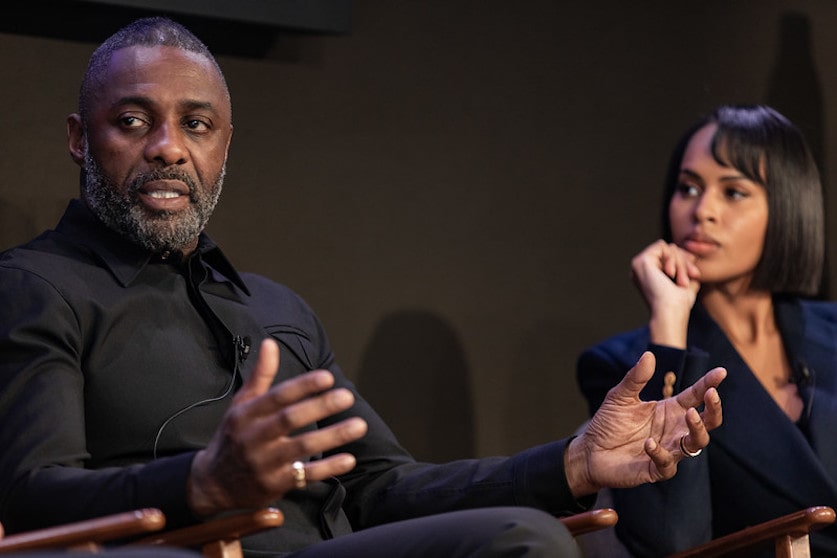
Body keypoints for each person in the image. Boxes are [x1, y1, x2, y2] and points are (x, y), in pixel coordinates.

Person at [0, 17, 725, 558]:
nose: (167, 147)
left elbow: (384, 488)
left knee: (524, 536)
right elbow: (31, 495)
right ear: (78, 138)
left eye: (197, 124)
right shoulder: (36, 287)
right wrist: (200, 483)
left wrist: (571, 461)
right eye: (132, 121)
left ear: (224, 146)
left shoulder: (276, 309)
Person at [577, 104, 837, 556]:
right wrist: (670, 331)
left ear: (787, 208)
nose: (703, 211)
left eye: (733, 192)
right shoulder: (622, 366)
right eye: (688, 188)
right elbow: (671, 540)